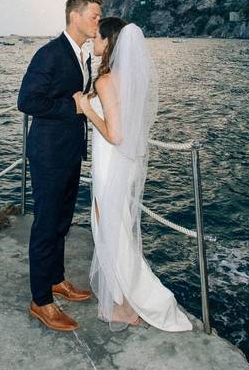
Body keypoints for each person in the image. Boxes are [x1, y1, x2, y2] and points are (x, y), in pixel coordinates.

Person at [77, 17, 192, 331]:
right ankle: (123, 299)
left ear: (109, 42)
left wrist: (88, 111)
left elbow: (115, 134)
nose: (93, 42)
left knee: (109, 229)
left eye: (97, 38)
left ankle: (126, 307)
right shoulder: (128, 78)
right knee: (116, 228)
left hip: (111, 160)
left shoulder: (105, 80)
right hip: (123, 164)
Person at [17, 0, 101, 331]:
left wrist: (87, 100)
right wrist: (74, 107)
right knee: (46, 225)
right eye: (95, 15)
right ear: (75, 16)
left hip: (69, 152)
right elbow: (27, 100)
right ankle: (41, 301)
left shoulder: (82, 55)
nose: (98, 21)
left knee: (62, 222)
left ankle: (56, 279)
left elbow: (71, 94)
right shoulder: (50, 53)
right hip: (49, 154)